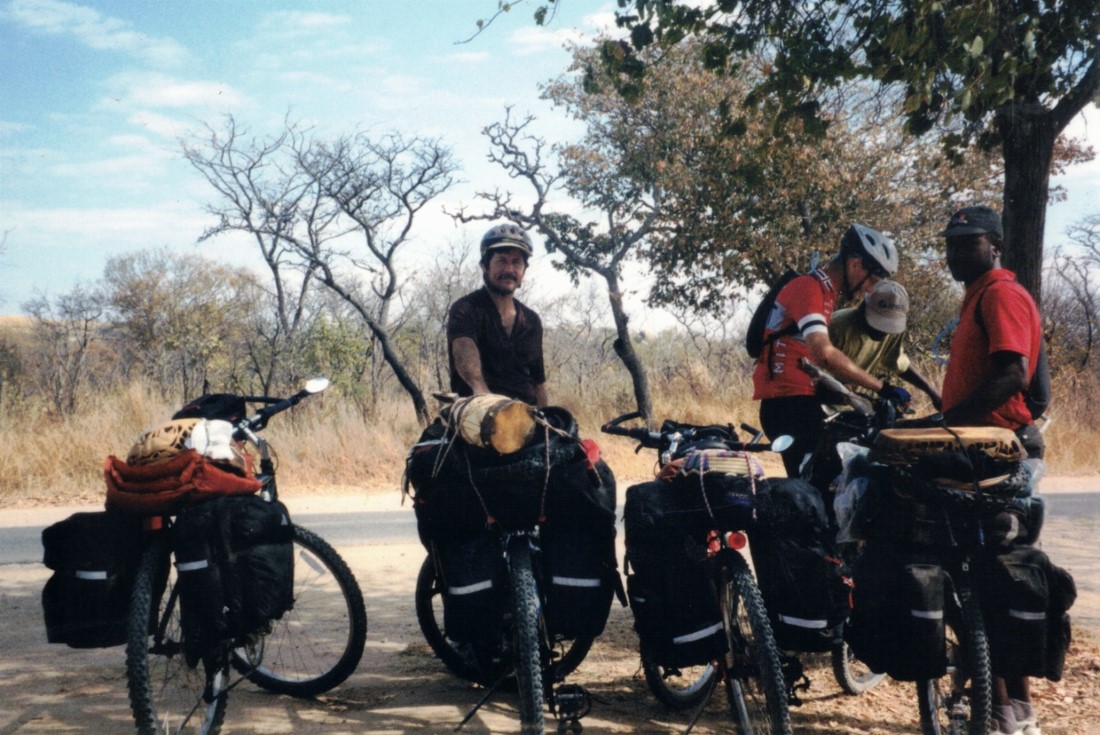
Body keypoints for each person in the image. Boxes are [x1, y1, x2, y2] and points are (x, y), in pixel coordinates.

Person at [939, 205, 1045, 735]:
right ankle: (1011, 707)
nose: (956, 251)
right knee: (990, 580)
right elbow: (1037, 387)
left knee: (982, 580)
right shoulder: (978, 298)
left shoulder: (1000, 294)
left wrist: (948, 418)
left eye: (969, 242)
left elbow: (1014, 375)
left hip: (996, 452)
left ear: (995, 245)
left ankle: (1002, 708)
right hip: (990, 448)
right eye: (951, 243)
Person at [752, 223, 912, 479]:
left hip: (800, 402)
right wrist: (881, 387)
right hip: (786, 406)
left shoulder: (825, 292)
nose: (870, 289)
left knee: (833, 478)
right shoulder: (809, 287)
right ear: (855, 264)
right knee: (817, 490)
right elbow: (824, 353)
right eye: (872, 279)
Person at [447, 223, 547, 407]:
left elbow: (538, 381)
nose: (509, 270)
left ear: (524, 270)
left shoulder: (531, 320)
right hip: (476, 416)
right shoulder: (466, 308)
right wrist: (483, 395)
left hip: (526, 418)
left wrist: (547, 422)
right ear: (485, 266)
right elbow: (465, 354)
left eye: (516, 262)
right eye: (501, 261)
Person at [829, 279, 943, 410]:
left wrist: (932, 392)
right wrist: (872, 394)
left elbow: (900, 363)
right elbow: (815, 378)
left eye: (889, 326)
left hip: (855, 409)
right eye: (879, 323)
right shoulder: (836, 327)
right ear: (864, 308)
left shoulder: (892, 332)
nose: (883, 331)